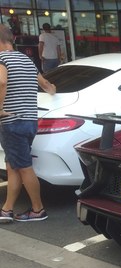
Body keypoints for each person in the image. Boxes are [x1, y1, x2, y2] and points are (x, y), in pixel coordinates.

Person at [0, 24, 56, 223]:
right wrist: (52, 89)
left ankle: (38, 210)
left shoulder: (1, 59)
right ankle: (6, 210)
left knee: (23, 166)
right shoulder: (26, 59)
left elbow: (2, 82)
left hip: (11, 121)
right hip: (30, 121)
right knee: (13, 165)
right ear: (12, 40)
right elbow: (46, 85)